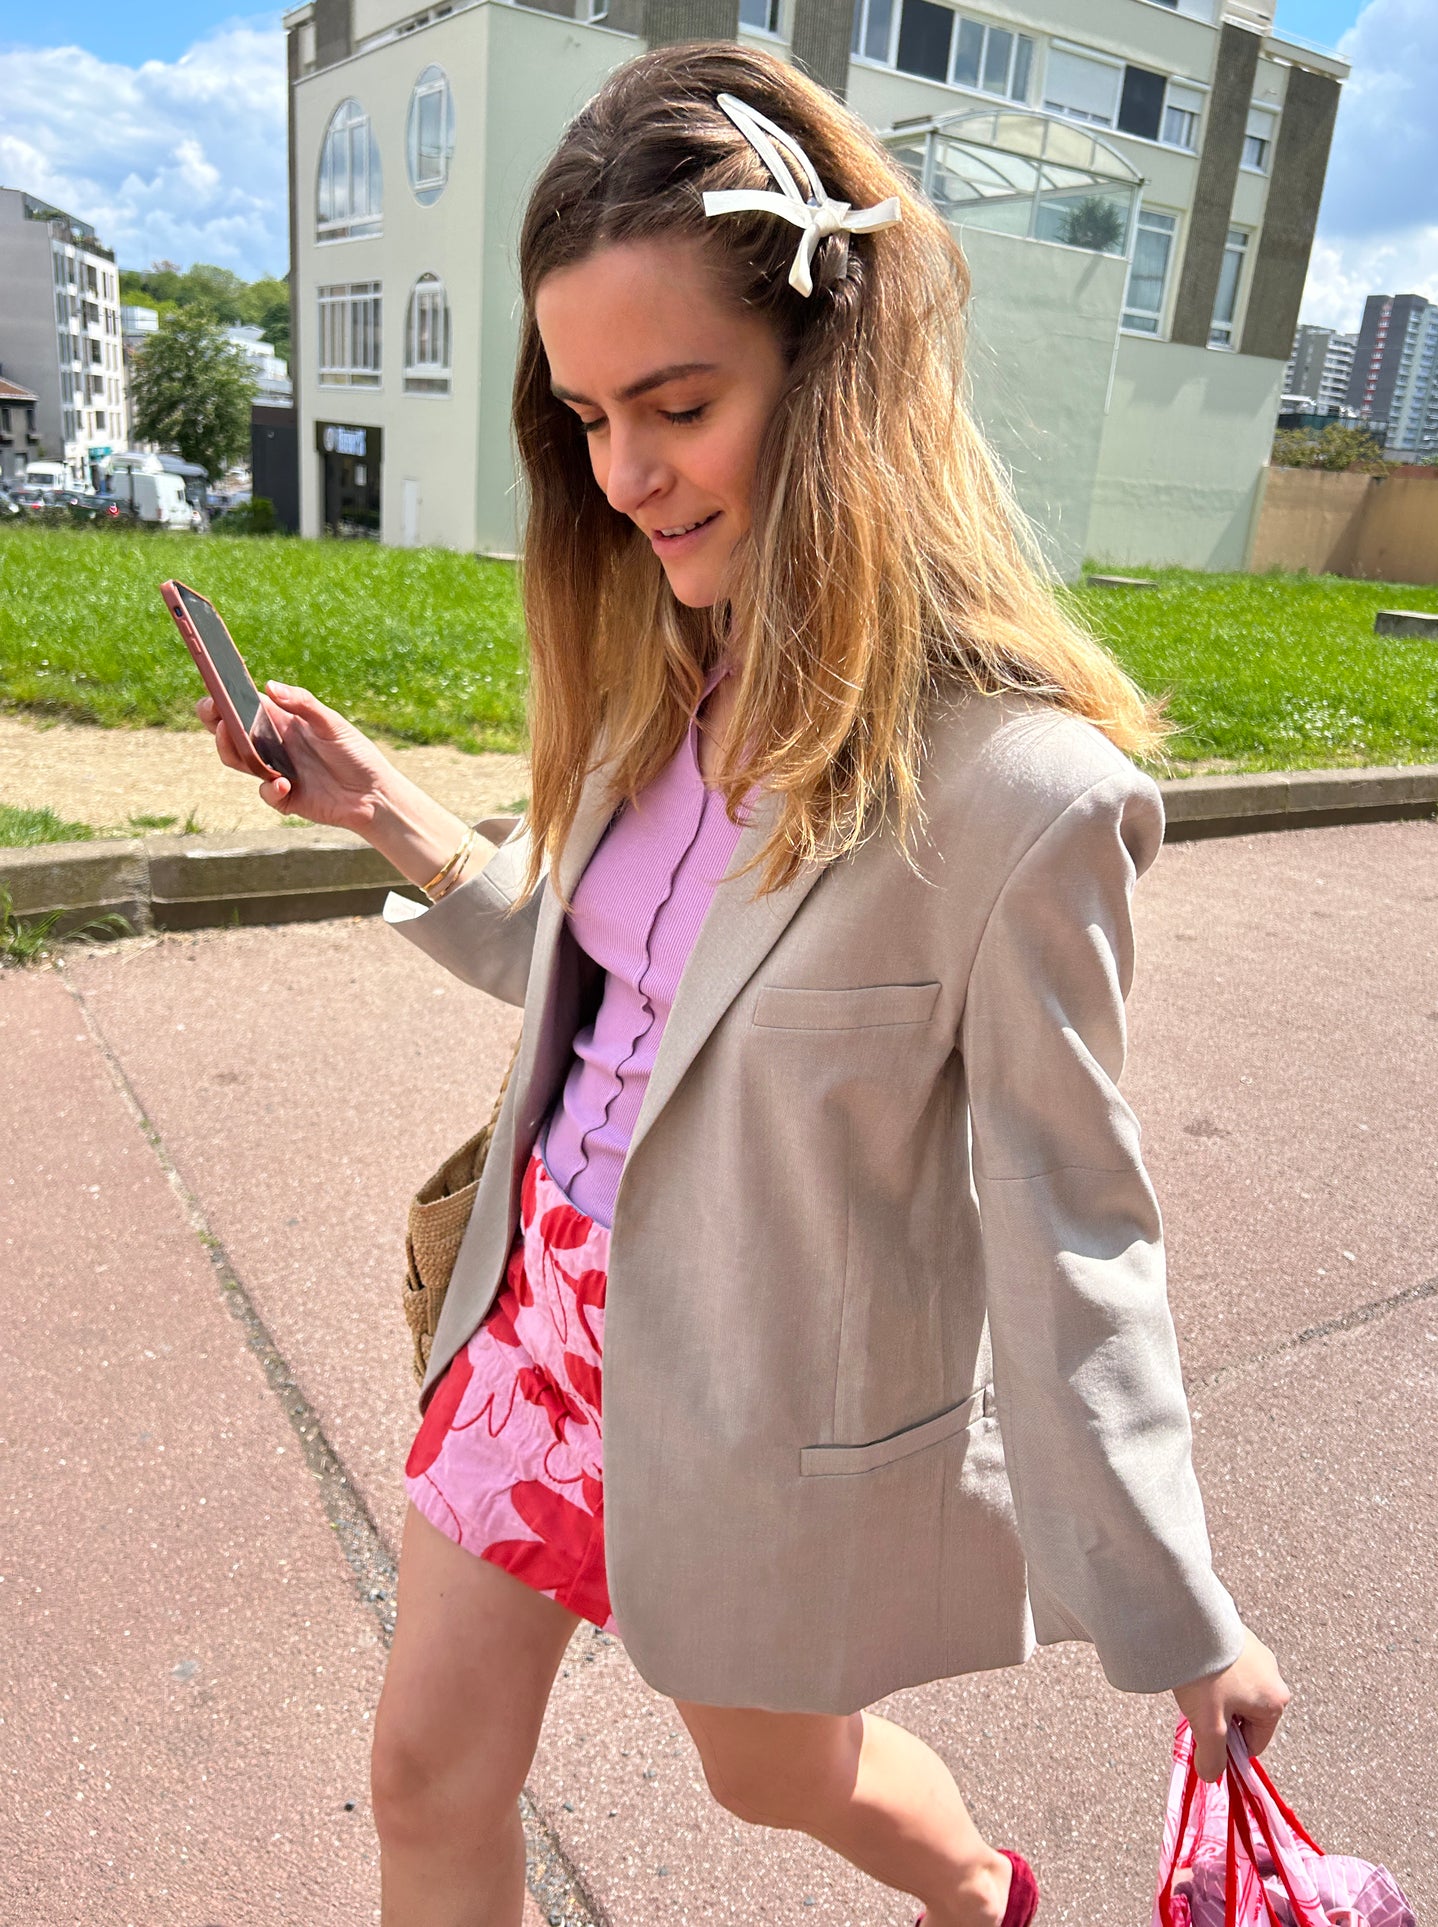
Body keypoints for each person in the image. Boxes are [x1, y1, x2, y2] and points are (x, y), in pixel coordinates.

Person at [197, 42, 1290, 1927]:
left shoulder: (1025, 800)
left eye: (676, 404)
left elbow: (1074, 1221)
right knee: (426, 1773)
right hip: (538, 1323)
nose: (624, 476)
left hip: (756, 1395)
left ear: (827, 370)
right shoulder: (658, 670)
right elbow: (615, 979)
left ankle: (978, 1893)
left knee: (767, 1772)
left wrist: (1179, 1615)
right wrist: (387, 812)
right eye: (586, 416)